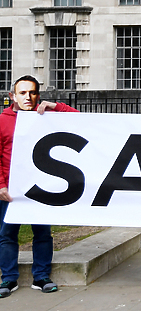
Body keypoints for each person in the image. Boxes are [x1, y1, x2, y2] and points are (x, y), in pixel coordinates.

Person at [0, 75, 78, 298]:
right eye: (22, 93)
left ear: (38, 95)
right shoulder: (2, 121)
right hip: (11, 189)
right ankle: (8, 278)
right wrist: (1, 186)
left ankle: (41, 276)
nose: (28, 97)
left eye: (32, 92)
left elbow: (82, 121)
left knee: (42, 233)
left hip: (40, 188)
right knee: (7, 234)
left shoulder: (46, 116)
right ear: (12, 96)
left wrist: (56, 106)